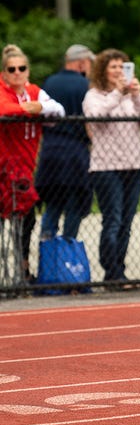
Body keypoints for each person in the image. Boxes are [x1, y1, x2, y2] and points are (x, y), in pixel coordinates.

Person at [83, 48, 140, 286]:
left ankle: (120, 270)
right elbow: (96, 116)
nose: (117, 71)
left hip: (133, 164)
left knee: (127, 221)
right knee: (112, 219)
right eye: (112, 66)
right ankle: (111, 272)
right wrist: (117, 93)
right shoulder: (94, 95)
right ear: (103, 70)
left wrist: (137, 95)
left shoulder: (129, 97)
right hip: (107, 167)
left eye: (121, 66)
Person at [0, 44, 65, 282]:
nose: (17, 72)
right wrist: (31, 110)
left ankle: (23, 270)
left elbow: (58, 110)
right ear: (4, 73)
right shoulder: (2, 89)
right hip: (3, 169)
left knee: (26, 221)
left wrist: (40, 107)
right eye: (11, 69)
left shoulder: (35, 91)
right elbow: (4, 108)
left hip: (25, 171)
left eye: (22, 68)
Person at [35, 44, 95, 242]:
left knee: (53, 200)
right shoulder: (85, 85)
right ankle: (68, 245)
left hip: (51, 150)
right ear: (81, 63)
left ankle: (47, 242)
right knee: (75, 202)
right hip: (75, 151)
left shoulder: (49, 82)